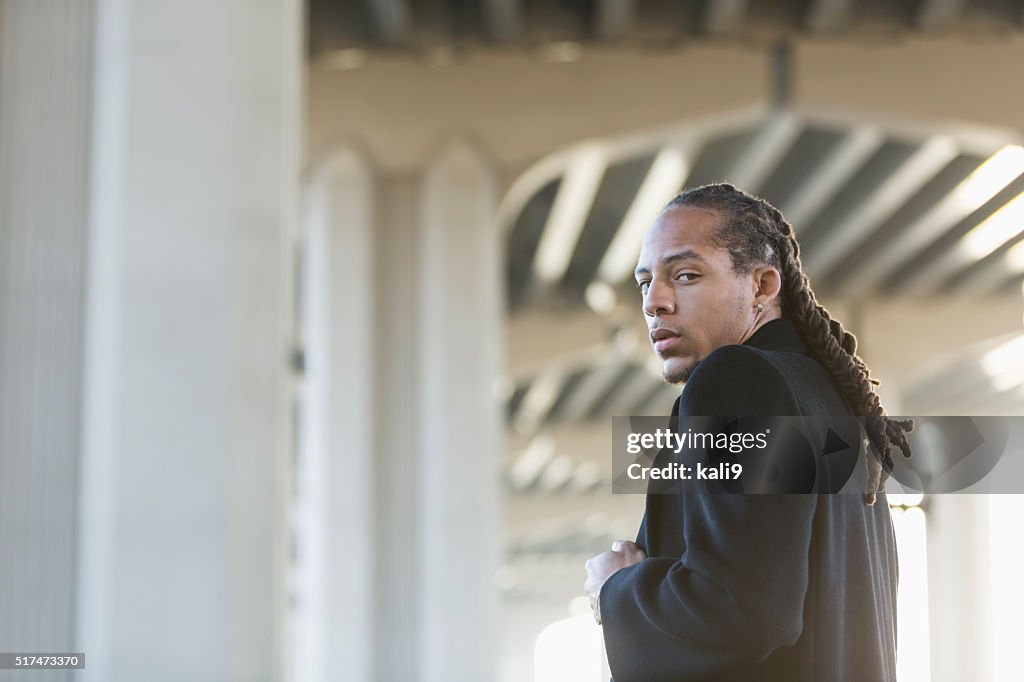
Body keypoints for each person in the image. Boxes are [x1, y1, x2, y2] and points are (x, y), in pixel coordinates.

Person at [583, 183, 913, 681]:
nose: (655, 302)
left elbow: (741, 609)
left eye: (686, 275)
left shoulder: (737, 380)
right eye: (645, 282)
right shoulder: (835, 403)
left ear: (761, 286)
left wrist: (618, 588)